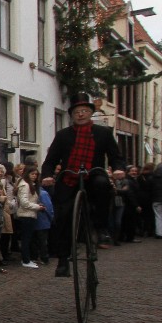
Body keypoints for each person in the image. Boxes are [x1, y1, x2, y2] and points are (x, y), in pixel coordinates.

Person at [40, 93, 125, 277]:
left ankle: (101, 228)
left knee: (103, 185)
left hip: (93, 175)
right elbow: (50, 160)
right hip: (69, 177)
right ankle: (63, 260)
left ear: (90, 113)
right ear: (72, 115)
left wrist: (118, 169)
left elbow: (115, 156)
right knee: (63, 216)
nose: (80, 114)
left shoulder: (103, 133)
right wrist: (46, 176)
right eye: (77, 111)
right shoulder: (63, 135)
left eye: (84, 111)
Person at [14, 166, 41, 268]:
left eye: (36, 174)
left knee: (28, 238)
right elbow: (24, 202)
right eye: (32, 174)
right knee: (26, 239)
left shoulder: (30, 185)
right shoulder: (25, 185)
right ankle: (25, 260)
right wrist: (37, 207)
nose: (34, 176)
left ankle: (27, 259)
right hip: (26, 215)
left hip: (30, 214)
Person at [34, 176, 55, 266]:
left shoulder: (42, 193)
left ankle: (43, 257)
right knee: (41, 240)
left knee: (41, 240)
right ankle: (42, 257)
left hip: (41, 220)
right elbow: (49, 208)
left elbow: (48, 207)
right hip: (41, 220)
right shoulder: (42, 193)